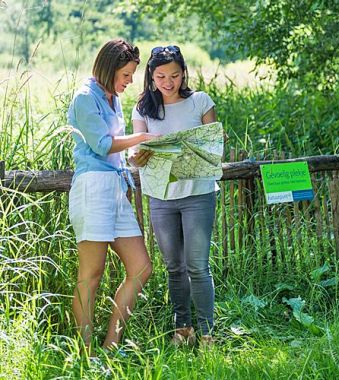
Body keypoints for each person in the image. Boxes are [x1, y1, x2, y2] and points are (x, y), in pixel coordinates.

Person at [67, 39, 158, 354]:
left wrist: (137, 155)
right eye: (126, 75)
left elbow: (117, 150)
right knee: (91, 274)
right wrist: (142, 136)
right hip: (92, 188)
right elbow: (103, 144)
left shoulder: (112, 99)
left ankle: (110, 347)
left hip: (116, 188)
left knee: (142, 267)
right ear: (109, 69)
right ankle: (85, 352)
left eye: (132, 75)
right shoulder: (85, 98)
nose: (129, 81)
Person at [129, 45, 218, 346]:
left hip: (198, 194)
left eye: (175, 75)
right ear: (151, 77)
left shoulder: (200, 102)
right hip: (161, 198)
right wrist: (136, 155)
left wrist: (215, 143)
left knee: (197, 265)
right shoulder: (143, 108)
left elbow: (216, 145)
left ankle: (207, 333)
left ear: (184, 74)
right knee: (174, 267)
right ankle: (183, 329)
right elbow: (136, 146)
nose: (169, 82)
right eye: (161, 76)